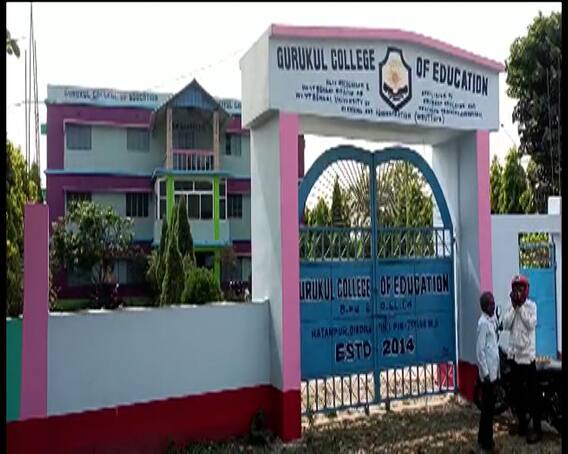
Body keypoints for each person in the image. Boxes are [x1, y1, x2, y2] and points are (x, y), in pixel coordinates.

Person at [502, 274, 541, 444]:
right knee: (517, 395)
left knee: (533, 396)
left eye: (521, 288)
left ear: (526, 289)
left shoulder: (531, 306)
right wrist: (513, 307)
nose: (518, 291)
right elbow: (505, 324)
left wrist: (521, 307)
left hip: (527, 358)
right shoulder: (510, 306)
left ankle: (537, 430)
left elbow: (531, 324)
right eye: (516, 288)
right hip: (515, 358)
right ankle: (523, 425)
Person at [476, 291, 500, 452]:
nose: (494, 305)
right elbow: (480, 351)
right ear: (485, 306)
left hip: (493, 372)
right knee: (488, 411)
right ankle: (488, 443)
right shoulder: (483, 323)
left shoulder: (491, 320)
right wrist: (485, 373)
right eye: (491, 304)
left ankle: (482, 438)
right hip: (487, 375)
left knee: (487, 408)